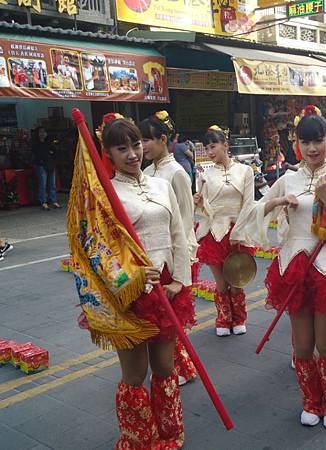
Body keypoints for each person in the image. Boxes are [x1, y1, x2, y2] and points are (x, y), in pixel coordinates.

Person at [234, 108, 326, 429]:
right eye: (305, 141)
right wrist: (277, 203)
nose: (312, 148)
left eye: (318, 140)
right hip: (295, 269)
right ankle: (311, 400)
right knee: (303, 347)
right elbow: (251, 214)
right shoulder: (287, 179)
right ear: (296, 142)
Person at [101, 118, 193, 448]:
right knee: (136, 374)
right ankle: (140, 441)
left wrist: (180, 281)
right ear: (108, 153)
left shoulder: (162, 184)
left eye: (136, 145)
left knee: (166, 367)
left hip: (166, 285)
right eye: (121, 148)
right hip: (129, 293)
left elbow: (178, 234)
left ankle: (169, 434)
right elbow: (99, 250)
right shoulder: (106, 193)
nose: (132, 154)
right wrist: (134, 277)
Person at [140, 112, 199, 385]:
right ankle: (181, 367)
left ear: (163, 140)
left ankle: (179, 368)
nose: (142, 146)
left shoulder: (176, 172)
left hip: (177, 255)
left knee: (171, 321)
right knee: (162, 322)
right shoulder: (146, 172)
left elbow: (185, 220)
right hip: (155, 258)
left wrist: (181, 264)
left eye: (146, 140)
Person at [194, 127, 255, 337]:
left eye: (213, 146)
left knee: (237, 281)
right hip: (215, 232)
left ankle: (239, 318)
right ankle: (223, 319)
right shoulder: (204, 175)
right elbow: (205, 211)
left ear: (225, 146)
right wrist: (200, 203)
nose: (210, 151)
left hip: (239, 230)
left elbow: (249, 203)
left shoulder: (245, 171)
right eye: (206, 147)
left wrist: (239, 230)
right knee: (221, 283)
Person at [31, 126, 61, 210]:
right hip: (41, 165)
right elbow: (36, 154)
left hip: (50, 164)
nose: (42, 134)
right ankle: (43, 201)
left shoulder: (49, 142)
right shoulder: (35, 144)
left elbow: (54, 152)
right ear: (37, 134)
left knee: (52, 184)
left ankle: (53, 200)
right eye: (40, 132)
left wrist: (53, 159)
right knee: (42, 184)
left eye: (44, 132)